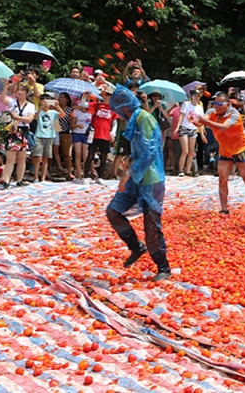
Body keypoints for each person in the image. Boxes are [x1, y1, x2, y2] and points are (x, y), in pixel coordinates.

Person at [106, 86, 171, 281]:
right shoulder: (133, 121)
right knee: (113, 211)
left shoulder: (145, 119)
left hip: (151, 179)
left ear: (124, 108)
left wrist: (129, 173)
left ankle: (163, 267)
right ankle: (136, 246)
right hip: (136, 178)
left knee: (151, 225)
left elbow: (150, 152)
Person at [193, 91, 245, 214]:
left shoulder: (235, 114)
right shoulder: (211, 112)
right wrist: (194, 120)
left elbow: (223, 127)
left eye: (219, 104)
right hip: (224, 150)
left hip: (240, 149)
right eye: (214, 103)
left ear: (227, 104)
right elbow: (200, 122)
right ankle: (224, 208)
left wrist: (205, 122)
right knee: (222, 179)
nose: (216, 106)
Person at [0, 85, 35, 189]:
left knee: (22, 158)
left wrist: (16, 117)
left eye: (22, 90)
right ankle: (6, 181)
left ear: (27, 93)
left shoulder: (30, 105)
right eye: (18, 90)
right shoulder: (12, 102)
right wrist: (6, 86)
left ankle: (19, 180)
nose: (20, 92)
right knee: (10, 159)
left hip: (23, 131)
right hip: (13, 131)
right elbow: (2, 98)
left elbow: (29, 119)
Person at [84, 86, 118, 185]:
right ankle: (86, 176)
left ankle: (101, 176)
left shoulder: (113, 109)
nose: (106, 97)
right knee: (90, 154)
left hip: (105, 135)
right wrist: (84, 97)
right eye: (105, 94)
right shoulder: (96, 105)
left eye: (109, 95)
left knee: (104, 156)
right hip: (94, 134)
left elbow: (114, 122)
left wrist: (113, 133)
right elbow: (83, 105)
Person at [31, 95, 63, 183]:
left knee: (46, 157)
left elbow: (63, 115)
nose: (46, 103)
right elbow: (35, 117)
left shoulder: (53, 112)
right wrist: (41, 108)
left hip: (50, 136)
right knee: (38, 157)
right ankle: (36, 177)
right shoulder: (38, 111)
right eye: (44, 101)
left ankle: (43, 178)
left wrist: (57, 106)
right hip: (39, 135)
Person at [178, 90, 205, 176]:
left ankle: (188, 170)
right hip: (184, 127)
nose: (197, 98)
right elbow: (181, 116)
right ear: (192, 96)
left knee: (191, 151)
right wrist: (177, 127)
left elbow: (200, 122)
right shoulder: (186, 104)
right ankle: (180, 170)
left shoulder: (199, 108)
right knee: (185, 151)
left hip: (193, 129)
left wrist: (202, 134)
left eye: (198, 96)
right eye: (195, 96)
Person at [70, 92, 93, 182]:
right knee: (78, 154)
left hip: (87, 135)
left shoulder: (91, 112)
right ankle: (79, 174)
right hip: (77, 133)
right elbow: (72, 124)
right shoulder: (76, 111)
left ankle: (85, 174)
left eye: (88, 100)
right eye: (84, 100)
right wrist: (77, 125)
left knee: (86, 155)